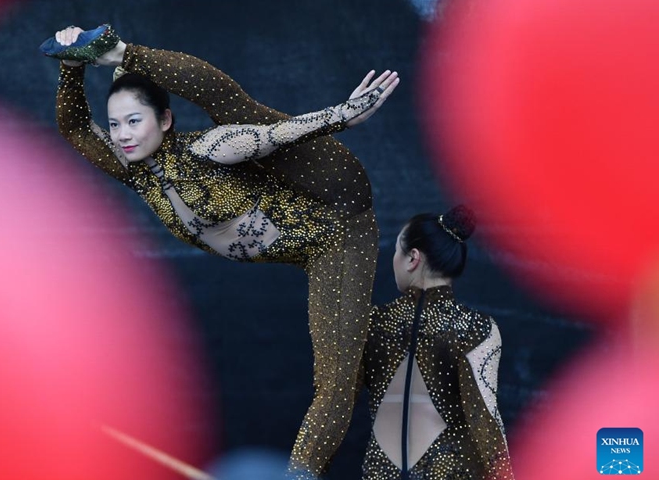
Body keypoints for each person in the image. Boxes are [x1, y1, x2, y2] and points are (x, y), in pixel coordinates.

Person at [40, 24, 400, 479]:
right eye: (115, 125)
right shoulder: (135, 169)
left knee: (336, 384)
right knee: (347, 368)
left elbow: (276, 134)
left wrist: (342, 115)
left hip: (336, 210)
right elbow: (76, 128)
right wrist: (71, 69)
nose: (123, 135)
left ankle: (121, 51)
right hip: (301, 234)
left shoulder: (209, 149)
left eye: (134, 121)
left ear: (165, 121)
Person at [361, 206, 515, 480]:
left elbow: (333, 406)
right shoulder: (476, 329)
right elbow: (485, 420)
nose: (393, 259)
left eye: (397, 250)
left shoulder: (371, 323)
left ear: (413, 258)